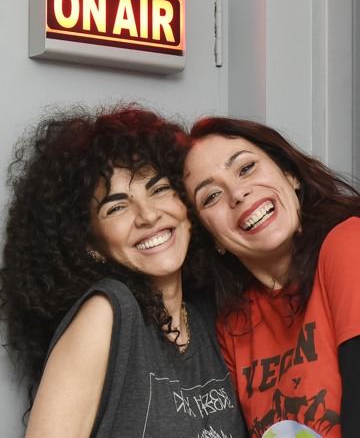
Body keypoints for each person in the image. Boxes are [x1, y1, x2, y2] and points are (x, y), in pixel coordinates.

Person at [182, 116, 360, 438]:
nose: (237, 193)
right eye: (211, 196)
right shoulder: (234, 321)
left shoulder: (354, 246)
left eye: (246, 168)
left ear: (290, 175)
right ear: (211, 238)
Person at [0, 105, 247, 437]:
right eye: (117, 207)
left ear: (186, 204)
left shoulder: (208, 316)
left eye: (159, 189)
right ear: (91, 245)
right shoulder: (107, 311)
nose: (148, 215)